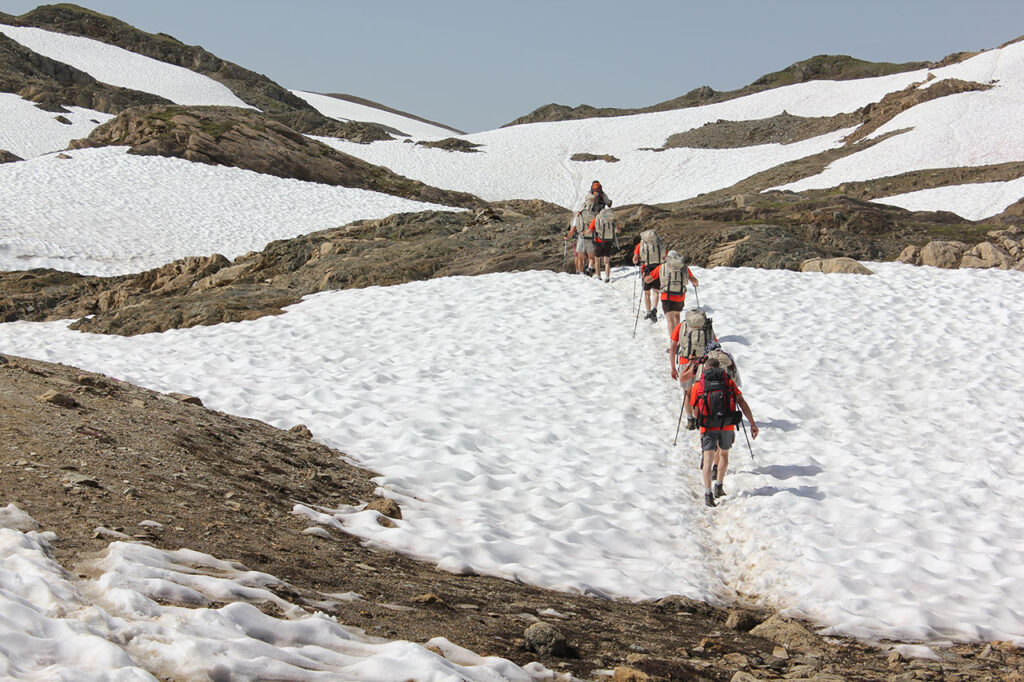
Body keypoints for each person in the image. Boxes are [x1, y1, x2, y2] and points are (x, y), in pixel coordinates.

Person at [681, 357, 758, 507]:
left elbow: (695, 408)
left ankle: (708, 493)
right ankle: (719, 486)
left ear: (706, 368)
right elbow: (741, 402)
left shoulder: (699, 384)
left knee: (708, 459)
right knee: (724, 454)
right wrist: (752, 423)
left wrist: (700, 423)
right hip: (727, 425)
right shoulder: (728, 381)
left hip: (707, 426)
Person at [644, 250, 698, 339]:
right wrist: (696, 284)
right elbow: (694, 281)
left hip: (666, 296)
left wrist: (645, 276)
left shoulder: (662, 267)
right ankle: (678, 340)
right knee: (677, 316)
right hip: (680, 296)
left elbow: (648, 280)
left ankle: (673, 341)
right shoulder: (684, 268)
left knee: (670, 319)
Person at [632, 229, 665, 322]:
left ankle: (648, 312)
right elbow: (664, 256)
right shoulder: (659, 243)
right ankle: (654, 308)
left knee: (647, 292)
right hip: (658, 268)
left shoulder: (641, 244)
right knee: (656, 291)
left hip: (646, 269)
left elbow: (635, 259)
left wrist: (637, 261)